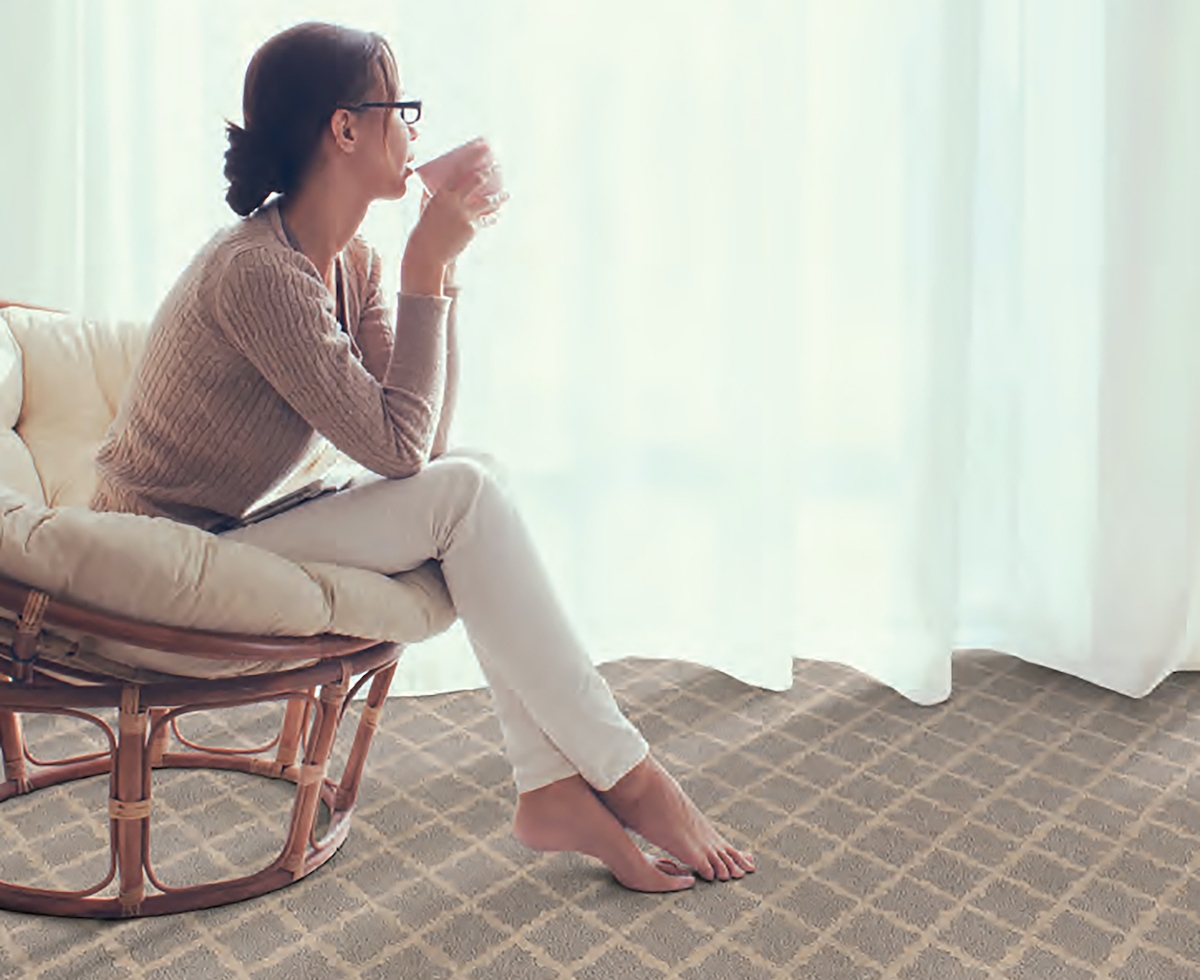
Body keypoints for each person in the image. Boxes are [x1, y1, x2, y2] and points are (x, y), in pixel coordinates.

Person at [90, 21, 754, 892]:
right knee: (467, 493)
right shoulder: (258, 274)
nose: (414, 129)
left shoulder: (347, 263)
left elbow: (423, 441)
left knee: (475, 479)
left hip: (229, 534)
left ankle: (553, 785)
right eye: (399, 106)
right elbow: (406, 452)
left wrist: (435, 275)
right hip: (160, 561)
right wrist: (425, 259)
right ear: (345, 129)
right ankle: (626, 778)